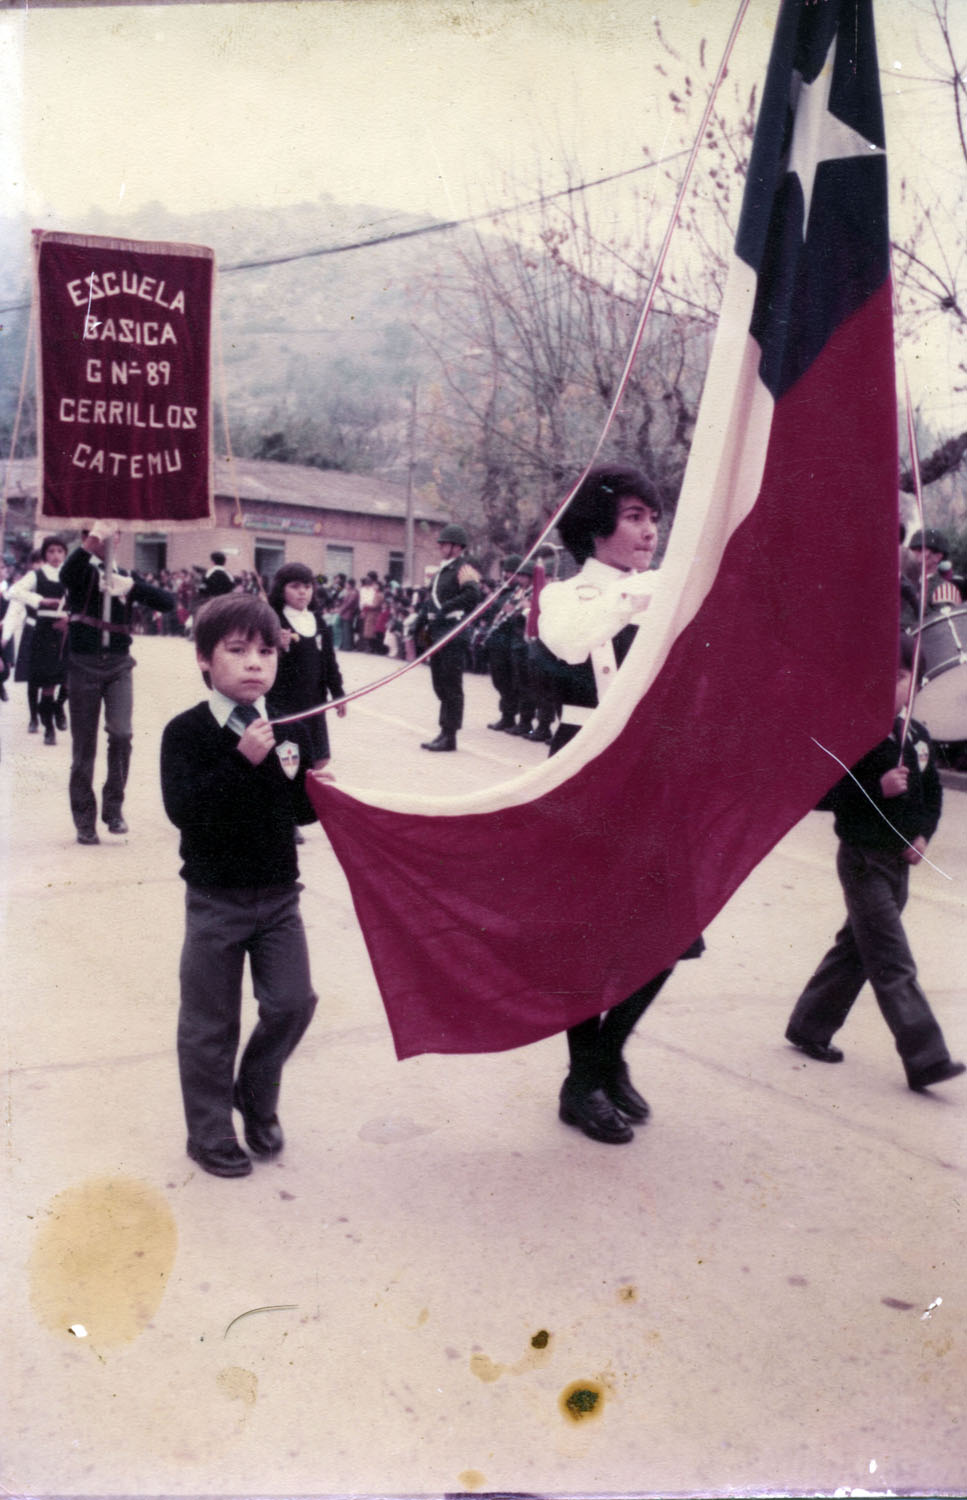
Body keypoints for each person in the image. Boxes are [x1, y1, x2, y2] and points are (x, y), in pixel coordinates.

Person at [537, 462, 703, 1145]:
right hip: (585, 778)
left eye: (652, 517)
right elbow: (571, 641)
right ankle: (584, 1082)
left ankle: (603, 1060)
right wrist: (652, 590)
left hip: (653, 777)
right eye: (633, 516)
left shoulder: (663, 588)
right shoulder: (567, 595)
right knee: (588, 939)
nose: (648, 530)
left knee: (667, 935)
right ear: (598, 524)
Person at [160, 593, 329, 1178]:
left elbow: (297, 814)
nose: (255, 663)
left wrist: (318, 791)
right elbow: (185, 811)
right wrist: (238, 760)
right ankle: (208, 1134)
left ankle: (255, 1093)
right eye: (237, 651)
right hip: (214, 901)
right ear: (206, 660)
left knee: (292, 1002)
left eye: (265, 651)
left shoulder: (284, 729)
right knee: (209, 1023)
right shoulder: (185, 732)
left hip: (279, 898)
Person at [785, 635, 965, 1092]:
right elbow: (820, 793)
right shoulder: (851, 734)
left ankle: (809, 1026)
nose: (891, 685)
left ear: (915, 682)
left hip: (898, 864)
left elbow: (932, 796)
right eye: (881, 676)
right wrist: (873, 788)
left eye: (901, 677)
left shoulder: (917, 736)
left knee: (856, 950)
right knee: (891, 958)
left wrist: (923, 834)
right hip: (863, 860)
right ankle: (926, 1056)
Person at [60, 521, 174, 844]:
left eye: (113, 533)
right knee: (84, 748)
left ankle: (114, 807)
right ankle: (84, 819)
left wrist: (133, 588)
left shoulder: (125, 575)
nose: (104, 539)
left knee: (122, 734)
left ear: (121, 538)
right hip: (84, 664)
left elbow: (166, 602)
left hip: (119, 665)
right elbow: (66, 576)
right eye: (92, 534)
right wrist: (92, 540)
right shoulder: (80, 571)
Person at [266, 561, 346, 772]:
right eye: (295, 586)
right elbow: (261, 662)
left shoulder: (319, 621)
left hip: (314, 702)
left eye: (307, 586)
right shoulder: (272, 620)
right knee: (290, 765)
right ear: (281, 589)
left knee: (320, 760)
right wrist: (277, 647)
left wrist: (338, 694)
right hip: (284, 705)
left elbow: (329, 662)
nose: (302, 592)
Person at [420, 523, 482, 752]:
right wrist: (420, 622)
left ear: (457, 547)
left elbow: (473, 595)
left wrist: (446, 608)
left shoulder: (465, 568)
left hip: (453, 633)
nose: (441, 547)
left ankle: (450, 735)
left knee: (451, 685)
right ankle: (443, 731)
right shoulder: (441, 571)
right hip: (437, 632)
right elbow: (429, 600)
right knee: (440, 684)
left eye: (445, 543)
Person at [4, 537, 69, 742]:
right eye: (51, 551)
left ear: (65, 553)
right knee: (47, 680)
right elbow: (12, 591)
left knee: (68, 678)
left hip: (67, 629)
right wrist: (40, 600)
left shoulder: (71, 574)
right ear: (44, 555)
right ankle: (48, 727)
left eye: (60, 551)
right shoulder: (36, 575)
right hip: (44, 630)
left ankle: (58, 707)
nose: (56, 555)